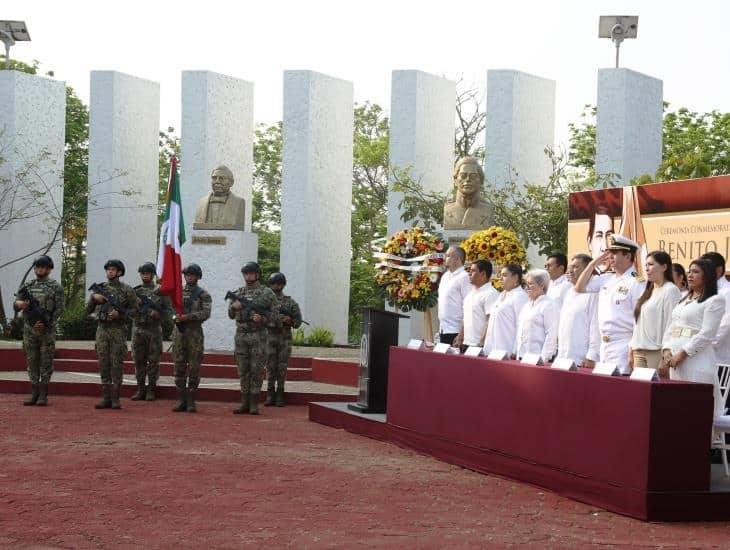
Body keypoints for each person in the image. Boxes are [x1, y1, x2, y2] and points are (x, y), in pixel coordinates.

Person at [662, 258, 726, 420]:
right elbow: (670, 328)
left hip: (696, 361)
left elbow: (707, 334)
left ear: (708, 276)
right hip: (675, 363)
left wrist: (682, 354)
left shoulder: (715, 300)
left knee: (696, 410)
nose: (690, 275)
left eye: (696, 272)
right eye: (689, 271)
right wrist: (667, 350)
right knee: (678, 408)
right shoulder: (683, 299)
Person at [575, 235, 644, 375]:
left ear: (628, 256)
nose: (610, 257)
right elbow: (579, 288)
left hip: (624, 345)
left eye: (614, 253)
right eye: (609, 253)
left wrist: (633, 349)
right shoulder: (607, 279)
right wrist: (592, 264)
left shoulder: (637, 283)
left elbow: (639, 319)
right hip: (604, 345)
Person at [86, 259, 139, 410]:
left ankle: (115, 398)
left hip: (118, 330)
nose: (109, 272)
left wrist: (120, 315)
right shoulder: (100, 289)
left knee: (116, 364)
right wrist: (93, 298)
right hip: (102, 330)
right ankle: (105, 398)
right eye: (108, 269)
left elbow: (135, 311)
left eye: (113, 269)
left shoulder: (127, 290)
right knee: (103, 363)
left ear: (119, 272)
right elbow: (88, 311)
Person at [13, 255, 64, 406]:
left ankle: (43, 395)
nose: (40, 269)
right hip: (29, 329)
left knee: (46, 362)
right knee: (32, 361)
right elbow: (15, 305)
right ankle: (34, 393)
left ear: (49, 269)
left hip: (46, 330)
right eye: (37, 267)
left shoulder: (56, 287)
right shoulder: (28, 285)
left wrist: (47, 324)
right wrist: (19, 304)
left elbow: (59, 309)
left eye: (43, 267)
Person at [227, 262, 277, 415]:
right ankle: (244, 403)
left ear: (257, 275)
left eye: (251, 273)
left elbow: (276, 317)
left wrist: (262, 319)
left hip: (258, 335)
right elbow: (230, 315)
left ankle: (254, 403)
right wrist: (233, 307)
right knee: (243, 369)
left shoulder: (267, 293)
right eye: (246, 273)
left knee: (256, 369)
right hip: (241, 335)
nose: (248, 276)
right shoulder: (238, 293)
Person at [629, 251, 681, 372]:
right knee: (638, 390)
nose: (647, 269)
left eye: (651, 264)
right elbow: (638, 323)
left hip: (656, 351)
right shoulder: (648, 290)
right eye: (645, 265)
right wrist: (631, 347)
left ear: (664, 267)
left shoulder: (670, 290)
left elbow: (671, 323)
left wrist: (666, 352)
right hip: (639, 350)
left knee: (654, 389)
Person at [171, 263, 212, 413]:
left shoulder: (203, 294)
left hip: (194, 334)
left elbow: (206, 313)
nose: (190, 277)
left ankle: (191, 401)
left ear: (198, 277)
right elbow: (169, 308)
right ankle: (181, 400)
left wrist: (188, 317)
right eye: (187, 274)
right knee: (179, 366)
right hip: (179, 334)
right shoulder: (177, 292)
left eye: (193, 275)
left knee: (194, 367)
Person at [130, 262, 171, 401]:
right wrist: (136, 306)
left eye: (147, 273)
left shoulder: (161, 291)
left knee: (153, 361)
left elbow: (169, 312)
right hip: (138, 329)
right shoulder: (135, 292)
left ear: (153, 275)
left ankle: (151, 390)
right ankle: (140, 389)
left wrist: (158, 315)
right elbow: (127, 311)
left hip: (154, 330)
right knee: (138, 360)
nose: (145, 275)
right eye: (143, 273)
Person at [265, 272, 302, 407]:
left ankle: (280, 393)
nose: (277, 286)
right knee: (270, 367)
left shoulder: (290, 303)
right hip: (269, 337)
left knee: (282, 367)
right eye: (274, 283)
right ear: (271, 284)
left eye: (279, 283)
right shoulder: (265, 301)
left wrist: (290, 320)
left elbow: (298, 322)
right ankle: (270, 393)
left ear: (283, 284)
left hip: (284, 338)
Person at [556, 254, 599, 367]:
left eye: (575, 267)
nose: (570, 271)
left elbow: (596, 327)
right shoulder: (569, 292)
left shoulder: (594, 293)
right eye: (570, 267)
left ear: (587, 270)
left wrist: (592, 355)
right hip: (564, 357)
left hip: (582, 360)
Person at [482, 264, 529, 357]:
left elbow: (522, 325)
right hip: (492, 348)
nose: (500, 278)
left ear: (515, 277)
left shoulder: (520, 297)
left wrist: (515, 349)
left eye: (504, 275)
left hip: (507, 350)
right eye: (500, 275)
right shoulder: (502, 294)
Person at [514, 269, 560, 362]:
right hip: (522, 356)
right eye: (526, 284)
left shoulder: (549, 305)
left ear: (542, 285)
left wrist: (543, 359)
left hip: (538, 358)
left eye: (530, 283)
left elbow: (551, 334)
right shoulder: (527, 305)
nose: (527, 287)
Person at [454, 260, 499, 349]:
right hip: (466, 343)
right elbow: (465, 319)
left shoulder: (490, 293)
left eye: (473, 271)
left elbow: (490, 321)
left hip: (480, 345)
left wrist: (482, 342)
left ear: (483, 274)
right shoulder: (470, 294)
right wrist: (460, 337)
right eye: (469, 271)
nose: (469, 274)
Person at [443, 157, 493, 230]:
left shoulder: (488, 210)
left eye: (473, 176)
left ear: (481, 181)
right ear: (455, 181)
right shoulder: (448, 209)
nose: (467, 180)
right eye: (463, 175)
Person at [699, 252, 730, 366]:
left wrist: (703, 345)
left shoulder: (727, 292)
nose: (701, 273)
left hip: (719, 359)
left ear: (718, 270)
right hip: (699, 355)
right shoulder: (703, 291)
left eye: (705, 269)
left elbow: (725, 326)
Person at [437, 246, 472, 345]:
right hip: (443, 329)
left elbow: (468, 306)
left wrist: (462, 334)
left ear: (457, 259)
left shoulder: (464, 277)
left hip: (456, 331)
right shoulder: (445, 276)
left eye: (448, 256)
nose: (445, 258)